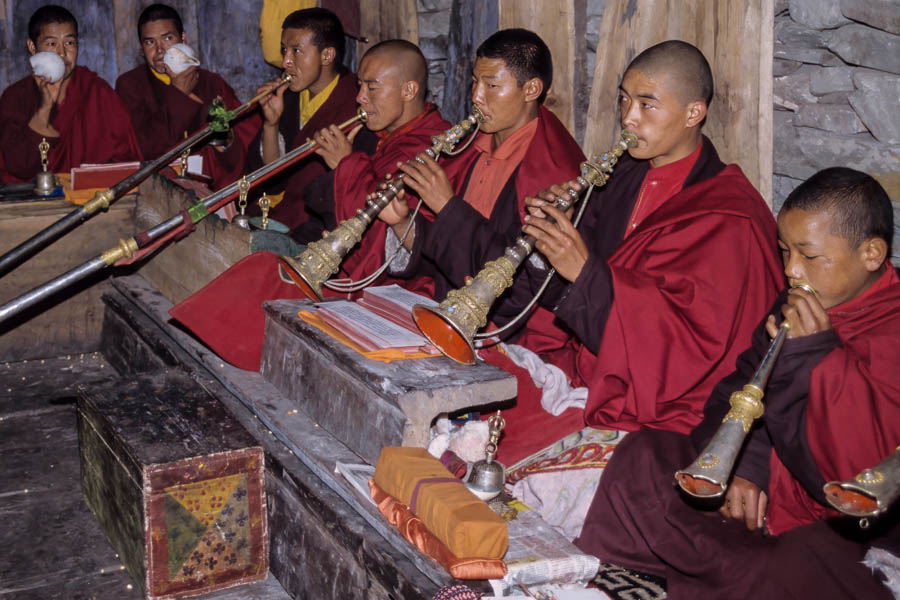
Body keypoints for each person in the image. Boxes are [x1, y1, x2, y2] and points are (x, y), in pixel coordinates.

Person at [575, 167, 900, 599]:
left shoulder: (891, 332)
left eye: (809, 255)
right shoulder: (799, 302)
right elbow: (735, 391)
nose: (791, 271)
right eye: (784, 252)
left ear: (872, 254)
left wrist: (815, 355)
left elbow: (852, 467)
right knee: (644, 457)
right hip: (762, 495)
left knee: (796, 567)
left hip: (840, 519)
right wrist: (745, 465)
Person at [494, 40, 785, 464]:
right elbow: (576, 284)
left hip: (663, 399)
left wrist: (584, 271)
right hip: (591, 363)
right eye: (624, 100)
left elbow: (686, 345)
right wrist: (558, 232)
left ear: (693, 113)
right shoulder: (622, 175)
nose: (628, 118)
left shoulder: (730, 215)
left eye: (647, 105)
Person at [169, 40, 451, 371]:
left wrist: (345, 164)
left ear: (409, 90)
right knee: (253, 266)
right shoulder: (385, 133)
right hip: (328, 246)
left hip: (385, 283)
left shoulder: (429, 146)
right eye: (360, 86)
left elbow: (385, 230)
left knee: (264, 279)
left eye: (372, 88)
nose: (360, 98)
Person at [115, 3, 261, 190]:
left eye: (167, 38)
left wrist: (226, 140)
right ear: (141, 48)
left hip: (210, 184)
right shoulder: (131, 84)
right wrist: (179, 92)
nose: (160, 50)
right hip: (158, 186)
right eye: (150, 42)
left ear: (183, 38)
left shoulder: (211, 82)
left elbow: (244, 140)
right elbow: (144, 148)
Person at [244, 7, 360, 231]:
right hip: (277, 212)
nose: (286, 61)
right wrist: (271, 123)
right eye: (284, 50)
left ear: (326, 55)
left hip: (317, 225)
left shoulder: (355, 103)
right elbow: (270, 176)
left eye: (296, 51)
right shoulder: (287, 97)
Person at [0, 5, 141, 183]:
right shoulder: (15, 97)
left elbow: (127, 160)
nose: (62, 53)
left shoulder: (97, 91)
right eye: (52, 44)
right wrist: (44, 109)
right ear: (32, 47)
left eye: (69, 43)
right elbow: (18, 166)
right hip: (32, 204)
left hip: (91, 199)